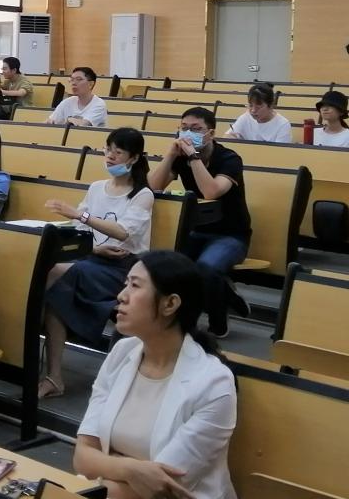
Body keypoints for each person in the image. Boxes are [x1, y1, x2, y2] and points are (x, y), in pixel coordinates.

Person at [75, 250, 237, 499]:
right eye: (126, 284)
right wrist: (130, 469)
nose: (121, 296)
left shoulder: (214, 383)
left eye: (135, 285)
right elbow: (83, 456)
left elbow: (162, 488)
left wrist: (105, 470)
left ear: (170, 304)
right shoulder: (122, 352)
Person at [40, 127, 154, 398]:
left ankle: (40, 359)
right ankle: (52, 375)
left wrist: (80, 215)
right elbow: (81, 231)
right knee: (50, 277)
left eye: (118, 152)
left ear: (134, 158)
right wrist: (93, 245)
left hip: (124, 268)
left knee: (56, 278)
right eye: (108, 150)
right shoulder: (96, 188)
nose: (110, 156)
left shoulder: (142, 194)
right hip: (91, 257)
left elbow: (123, 233)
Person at [148, 107, 251, 338]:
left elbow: (211, 192)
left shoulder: (229, 159)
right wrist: (170, 156)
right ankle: (225, 295)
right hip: (196, 231)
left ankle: (218, 324)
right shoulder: (181, 157)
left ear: (210, 134)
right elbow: (153, 187)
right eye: (184, 128)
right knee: (168, 265)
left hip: (231, 235)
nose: (188, 133)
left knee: (207, 268)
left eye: (195, 129)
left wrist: (193, 157)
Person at [225, 83, 291, 143]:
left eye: (258, 107)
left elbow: (280, 151)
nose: (253, 110)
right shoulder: (246, 117)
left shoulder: (283, 124)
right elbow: (227, 136)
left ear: (271, 106)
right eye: (250, 105)